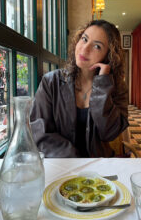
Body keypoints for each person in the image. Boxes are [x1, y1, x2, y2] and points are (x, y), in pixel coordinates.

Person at [30, 19, 129, 158]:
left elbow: (109, 133)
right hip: (61, 164)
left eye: (97, 46)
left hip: (99, 166)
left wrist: (102, 86)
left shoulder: (117, 87)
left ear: (109, 56)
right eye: (84, 39)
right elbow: (39, 133)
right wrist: (74, 159)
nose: (84, 48)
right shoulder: (51, 82)